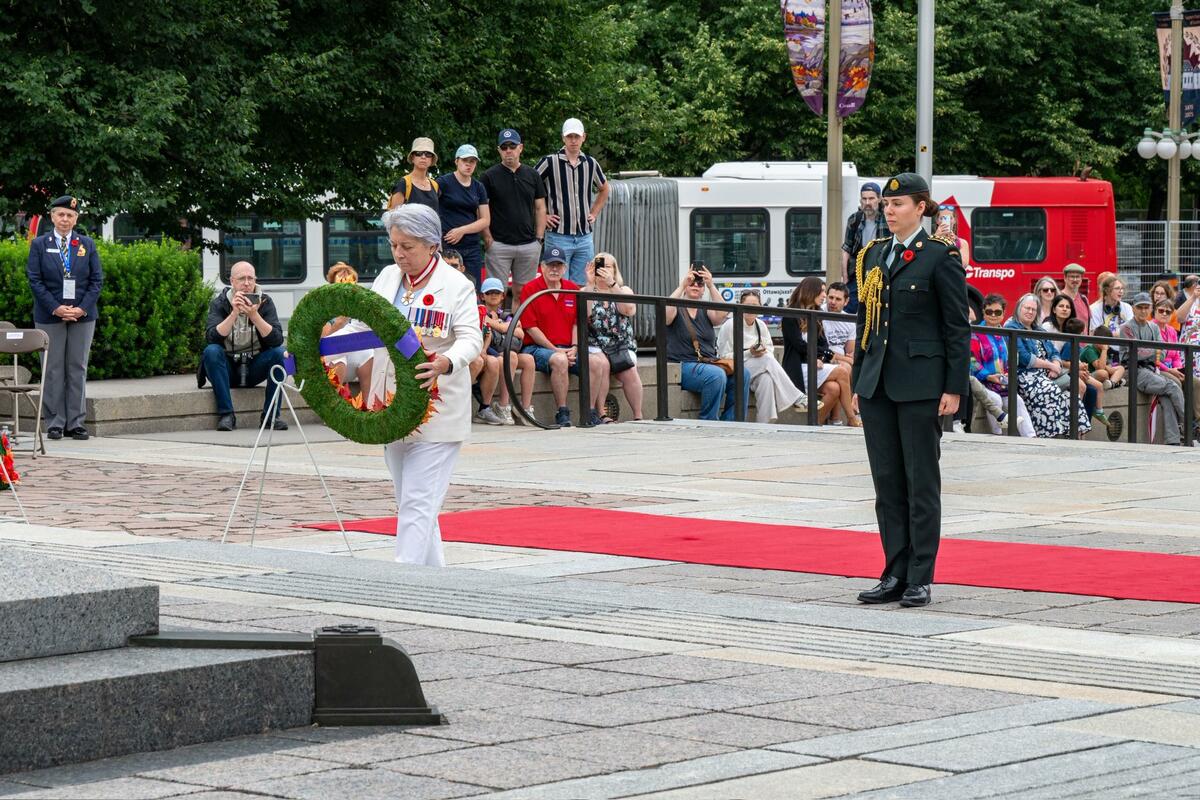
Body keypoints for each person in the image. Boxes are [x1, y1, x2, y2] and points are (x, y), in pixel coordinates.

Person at [850, 172, 970, 609]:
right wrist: (859, 380)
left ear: (921, 208)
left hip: (921, 384)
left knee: (921, 483)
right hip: (878, 384)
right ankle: (894, 572)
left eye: (897, 204)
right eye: (886, 204)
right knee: (887, 484)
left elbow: (956, 327)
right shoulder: (872, 254)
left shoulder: (939, 256)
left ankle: (920, 576)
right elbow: (866, 323)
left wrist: (954, 387)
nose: (889, 210)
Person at [346, 204, 482, 565]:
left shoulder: (456, 285)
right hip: (392, 407)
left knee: (418, 502)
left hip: (437, 411)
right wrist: (322, 347)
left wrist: (446, 361)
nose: (399, 253)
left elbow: (471, 338)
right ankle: (434, 579)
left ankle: (401, 579)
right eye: (394, 245)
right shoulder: (387, 278)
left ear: (432, 245)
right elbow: (361, 327)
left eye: (407, 246)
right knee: (413, 500)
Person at [26, 195, 102, 440]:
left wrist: (82, 309)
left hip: (82, 316)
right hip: (49, 315)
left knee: (77, 367)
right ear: (52, 217)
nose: (65, 219)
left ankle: (76, 422)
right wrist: (56, 307)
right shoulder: (40, 244)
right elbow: (35, 280)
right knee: (52, 369)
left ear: (76, 219)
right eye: (61, 214)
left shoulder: (86, 244)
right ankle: (55, 422)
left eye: (70, 215)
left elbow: (96, 281)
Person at [518, 247, 610, 427]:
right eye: (550, 265)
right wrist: (555, 349)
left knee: (596, 363)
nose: (554, 269)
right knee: (560, 360)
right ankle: (562, 412)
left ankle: (590, 411)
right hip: (537, 348)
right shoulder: (531, 288)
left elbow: (578, 322)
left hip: (568, 348)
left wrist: (575, 347)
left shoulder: (571, 288)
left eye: (558, 265)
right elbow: (530, 328)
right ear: (542, 267)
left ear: (565, 268)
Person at [199, 261, 287, 432]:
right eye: (241, 279)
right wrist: (234, 313)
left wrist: (254, 316)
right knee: (211, 351)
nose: (247, 283)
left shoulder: (265, 302)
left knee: (280, 354)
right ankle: (227, 415)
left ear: (255, 280)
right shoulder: (220, 302)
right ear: (232, 281)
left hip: (255, 366)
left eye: (250, 278)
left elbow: (276, 340)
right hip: (227, 368)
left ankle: (270, 417)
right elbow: (211, 338)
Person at [664, 263, 749, 421]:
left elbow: (722, 314)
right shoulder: (677, 308)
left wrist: (711, 285)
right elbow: (665, 313)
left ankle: (732, 421)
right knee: (716, 375)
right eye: (692, 283)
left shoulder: (705, 309)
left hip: (709, 361)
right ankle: (709, 421)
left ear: (703, 290)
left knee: (743, 373)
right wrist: (682, 285)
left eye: (700, 284)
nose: (696, 286)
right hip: (683, 364)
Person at [717, 289, 811, 423]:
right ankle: (796, 397)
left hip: (758, 367)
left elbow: (770, 349)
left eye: (755, 306)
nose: (751, 309)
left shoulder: (761, 325)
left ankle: (764, 424)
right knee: (766, 359)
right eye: (747, 305)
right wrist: (750, 353)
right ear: (740, 305)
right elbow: (724, 356)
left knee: (766, 379)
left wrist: (759, 352)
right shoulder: (730, 325)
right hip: (734, 368)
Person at [1004, 294, 1090, 439]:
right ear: (1019, 308)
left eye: (1033, 310)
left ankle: (1073, 436)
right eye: (1027, 308)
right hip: (1026, 375)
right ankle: (1049, 435)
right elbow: (1024, 358)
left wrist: (1055, 365)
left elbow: (1054, 352)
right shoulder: (1012, 327)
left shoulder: (1039, 330)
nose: (1030, 312)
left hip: (1047, 375)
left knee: (1071, 396)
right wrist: (1050, 365)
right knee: (1051, 390)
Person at [536, 118, 610, 285]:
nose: (573, 140)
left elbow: (605, 188)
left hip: (584, 237)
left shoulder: (590, 163)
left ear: (584, 137)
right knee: (557, 284)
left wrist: (594, 213)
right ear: (563, 138)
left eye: (577, 136)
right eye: (570, 136)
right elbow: (529, 186)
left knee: (584, 285)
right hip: (558, 236)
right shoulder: (550, 161)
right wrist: (543, 215)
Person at [481, 128, 547, 308]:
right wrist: (487, 237)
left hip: (528, 244)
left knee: (523, 293)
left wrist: (539, 238)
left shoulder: (532, 175)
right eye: (504, 147)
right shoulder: (488, 176)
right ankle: (494, 326)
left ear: (521, 148)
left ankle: (517, 326)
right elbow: (481, 209)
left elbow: (540, 207)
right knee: (495, 293)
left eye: (512, 146)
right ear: (499, 150)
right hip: (499, 244)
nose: (508, 150)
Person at [783, 277, 858, 426]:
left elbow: (823, 344)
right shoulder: (790, 315)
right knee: (842, 371)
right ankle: (852, 418)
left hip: (815, 364)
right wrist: (818, 357)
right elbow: (800, 346)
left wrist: (821, 358)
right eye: (822, 291)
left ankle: (815, 424)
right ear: (811, 291)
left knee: (834, 389)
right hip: (798, 367)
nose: (824, 296)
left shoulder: (816, 313)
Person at [1120, 293, 1185, 446]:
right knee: (1172, 387)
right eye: (1140, 307)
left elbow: (1162, 353)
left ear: (1150, 309)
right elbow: (1135, 354)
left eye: (1146, 307)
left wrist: (1149, 352)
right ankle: (1189, 424)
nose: (1143, 311)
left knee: (1167, 396)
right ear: (1133, 308)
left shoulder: (1153, 327)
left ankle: (1173, 440)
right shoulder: (1126, 327)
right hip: (1133, 371)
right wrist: (1153, 351)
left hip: (1150, 370)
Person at [585, 253, 643, 422]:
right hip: (595, 343)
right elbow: (585, 316)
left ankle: (638, 415)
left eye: (608, 266)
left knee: (630, 369)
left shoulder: (623, 290)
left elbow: (628, 310)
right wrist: (590, 284)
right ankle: (601, 413)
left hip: (621, 344)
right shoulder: (586, 291)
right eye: (599, 266)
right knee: (603, 364)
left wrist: (612, 284)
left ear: (615, 270)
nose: (603, 269)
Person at [971, 294, 1034, 437]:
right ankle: (997, 436)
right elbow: (972, 361)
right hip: (983, 383)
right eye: (989, 312)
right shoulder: (976, 333)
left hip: (1002, 384)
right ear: (983, 312)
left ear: (1003, 313)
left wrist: (1008, 374)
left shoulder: (1006, 334)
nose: (993, 315)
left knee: (1017, 401)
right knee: (995, 400)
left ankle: (1031, 437)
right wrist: (988, 376)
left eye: (997, 312)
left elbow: (1013, 360)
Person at [480, 277, 535, 425]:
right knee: (511, 356)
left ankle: (524, 408)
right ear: (482, 296)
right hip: (490, 352)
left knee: (529, 360)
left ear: (503, 296)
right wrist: (505, 327)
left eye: (497, 292)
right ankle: (503, 406)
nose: (493, 295)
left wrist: (495, 324)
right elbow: (510, 329)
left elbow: (521, 334)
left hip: (504, 350)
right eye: (489, 292)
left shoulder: (506, 314)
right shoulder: (479, 312)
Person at [438, 144, 490, 287]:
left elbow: (485, 220)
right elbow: (430, 210)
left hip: (472, 246)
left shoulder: (478, 187)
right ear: (456, 161)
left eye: (472, 161)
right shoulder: (443, 182)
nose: (469, 164)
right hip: (448, 245)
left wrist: (462, 230)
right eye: (465, 160)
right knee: (447, 287)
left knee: (473, 288)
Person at [320, 262, 374, 398]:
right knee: (339, 355)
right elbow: (322, 341)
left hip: (354, 358)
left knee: (369, 354)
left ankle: (370, 404)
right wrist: (340, 322)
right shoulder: (324, 306)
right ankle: (332, 406)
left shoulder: (359, 305)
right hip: (329, 359)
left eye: (350, 284)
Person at [840, 182, 889, 312]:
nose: (867, 202)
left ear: (879, 199)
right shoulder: (854, 219)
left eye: (871, 198)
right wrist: (845, 277)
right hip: (857, 273)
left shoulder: (888, 218)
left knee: (877, 309)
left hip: (881, 272)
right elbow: (846, 249)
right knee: (850, 309)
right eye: (864, 198)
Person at [387, 137, 439, 212]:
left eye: (428, 154)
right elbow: (393, 217)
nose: (423, 157)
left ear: (431, 159)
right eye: (418, 153)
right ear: (412, 157)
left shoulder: (435, 185)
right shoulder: (404, 184)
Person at [822, 282, 857, 366]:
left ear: (846, 301)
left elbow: (850, 352)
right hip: (823, 358)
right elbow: (821, 350)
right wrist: (847, 359)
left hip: (843, 360)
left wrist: (849, 358)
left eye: (838, 299)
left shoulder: (849, 320)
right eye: (831, 297)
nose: (833, 302)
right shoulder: (818, 315)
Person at [1061, 263, 1090, 332]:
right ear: (1065, 278)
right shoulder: (1058, 297)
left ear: (1081, 279)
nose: (1075, 279)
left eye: (1078, 277)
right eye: (1072, 276)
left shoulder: (1084, 299)